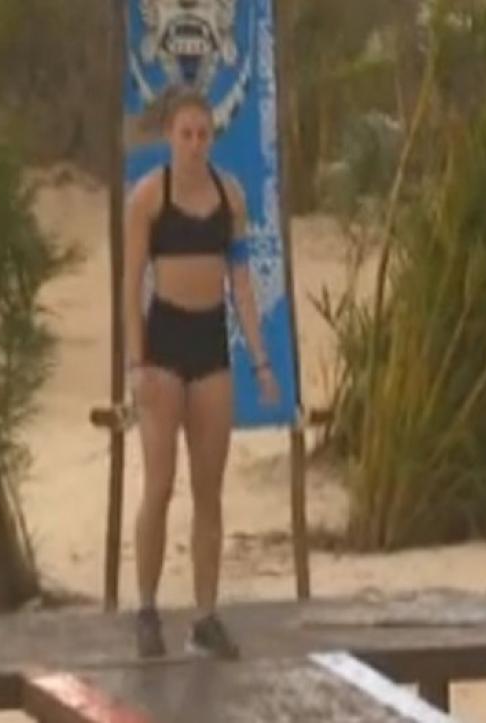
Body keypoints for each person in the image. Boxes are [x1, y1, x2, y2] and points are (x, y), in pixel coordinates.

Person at [123, 86, 279, 660]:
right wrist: (136, 362)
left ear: (212, 137)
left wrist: (261, 360)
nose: (194, 144)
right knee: (159, 485)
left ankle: (205, 616)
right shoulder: (149, 196)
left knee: (209, 492)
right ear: (170, 136)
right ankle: (146, 608)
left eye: (202, 134)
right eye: (185, 134)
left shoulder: (229, 195)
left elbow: (241, 283)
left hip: (211, 347)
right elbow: (131, 284)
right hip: (164, 348)